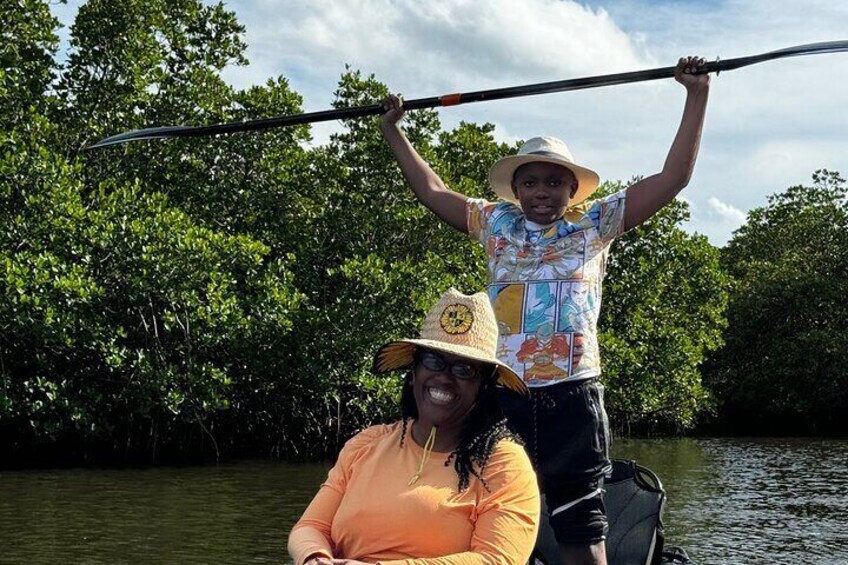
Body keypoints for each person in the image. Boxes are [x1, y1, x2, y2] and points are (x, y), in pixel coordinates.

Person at [379, 57, 710, 565]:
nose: (542, 192)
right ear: (515, 189)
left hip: (573, 394)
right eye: (531, 182)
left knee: (580, 524)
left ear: (572, 190)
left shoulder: (597, 224)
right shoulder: (495, 224)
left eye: (554, 183)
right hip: (503, 391)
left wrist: (696, 94)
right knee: (487, 514)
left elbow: (674, 177)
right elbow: (432, 191)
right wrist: (393, 130)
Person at [288, 288, 541, 565]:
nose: (444, 378)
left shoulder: (503, 464)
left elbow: (495, 559)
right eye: (433, 361)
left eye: (464, 369)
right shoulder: (365, 445)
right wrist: (314, 557)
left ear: (483, 387)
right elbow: (310, 527)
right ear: (414, 372)